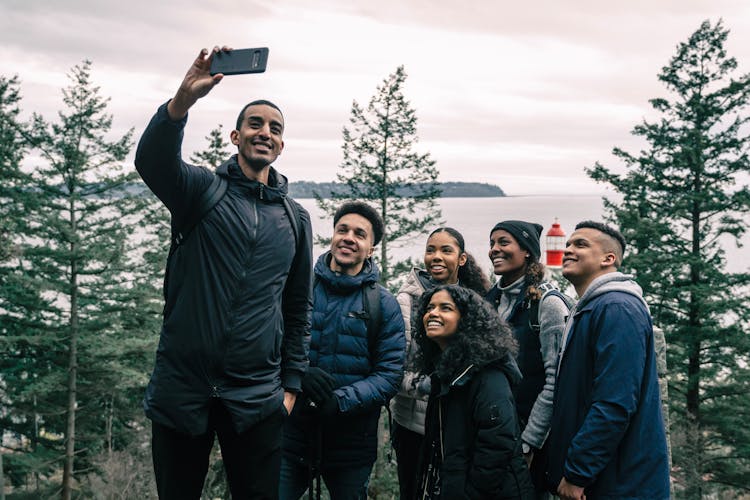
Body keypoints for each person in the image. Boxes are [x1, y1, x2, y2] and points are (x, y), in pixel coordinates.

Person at [135, 47, 313, 499]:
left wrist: (289, 386)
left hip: (257, 395)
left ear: (281, 145)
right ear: (236, 136)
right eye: (255, 123)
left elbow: (297, 306)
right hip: (183, 387)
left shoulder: (295, 218)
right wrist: (181, 102)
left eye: (275, 128)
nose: (265, 132)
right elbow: (152, 163)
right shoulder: (200, 191)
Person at [280, 201, 406, 500]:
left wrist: (341, 401)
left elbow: (389, 374)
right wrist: (298, 374)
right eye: (343, 230)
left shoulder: (383, 304)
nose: (349, 237)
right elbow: (268, 344)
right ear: (333, 236)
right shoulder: (297, 287)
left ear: (371, 248)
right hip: (291, 434)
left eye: (360, 234)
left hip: (351, 443)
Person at [546, 221, 670, 499]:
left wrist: (578, 473)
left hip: (619, 483)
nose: (567, 249)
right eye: (567, 244)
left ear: (608, 259)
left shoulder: (616, 308)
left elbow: (615, 402)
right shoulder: (592, 308)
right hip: (604, 479)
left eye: (580, 244)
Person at [390, 227, 489, 500]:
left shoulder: (474, 302)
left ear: (462, 259)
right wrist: (432, 386)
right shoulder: (406, 301)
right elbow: (393, 369)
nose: (436, 256)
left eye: (446, 250)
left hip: (458, 424)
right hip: (414, 425)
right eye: (431, 249)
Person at [411, 284, 534, 499]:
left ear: (467, 320)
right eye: (430, 308)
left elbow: (496, 448)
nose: (433, 313)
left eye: (445, 308)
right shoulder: (444, 372)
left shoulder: (488, 374)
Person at [484, 220, 571, 496]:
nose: (494, 249)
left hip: (527, 444)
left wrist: (528, 443)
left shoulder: (548, 305)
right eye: (492, 243)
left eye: (503, 242)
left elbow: (554, 382)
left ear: (528, 252)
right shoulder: (490, 301)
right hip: (492, 436)